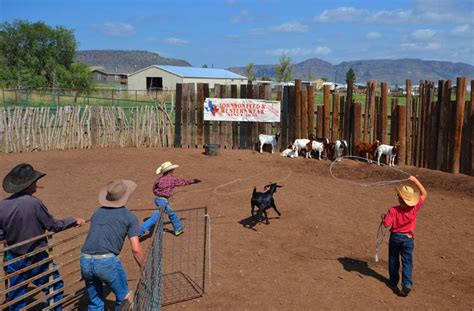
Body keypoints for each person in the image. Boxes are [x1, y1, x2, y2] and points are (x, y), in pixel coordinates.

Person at [0, 163, 85, 311]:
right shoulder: (34, 203)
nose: (36, 184)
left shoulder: (3, 205)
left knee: (16, 294)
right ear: (29, 185)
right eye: (35, 182)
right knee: (54, 285)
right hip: (35, 257)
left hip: (13, 257)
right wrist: (72, 220)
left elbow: (1, 233)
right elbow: (53, 225)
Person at [80, 179, 144, 310]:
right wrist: (144, 267)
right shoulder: (129, 216)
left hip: (85, 259)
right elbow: (136, 249)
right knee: (123, 297)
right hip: (106, 261)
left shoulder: (97, 212)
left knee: (95, 302)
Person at [382, 175, 428, 297]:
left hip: (396, 237)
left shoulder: (393, 210)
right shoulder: (414, 207)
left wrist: (383, 218)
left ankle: (393, 281)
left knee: (393, 258)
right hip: (408, 238)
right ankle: (406, 284)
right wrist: (415, 180)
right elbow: (424, 193)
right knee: (407, 261)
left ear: (399, 198)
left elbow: (386, 224)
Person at [140, 161, 201, 237]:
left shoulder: (159, 179)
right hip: (162, 201)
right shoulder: (172, 179)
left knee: (171, 214)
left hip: (159, 199)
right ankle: (140, 231)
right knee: (156, 217)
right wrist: (193, 181)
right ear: (170, 171)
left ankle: (178, 229)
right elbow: (182, 182)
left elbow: (154, 189)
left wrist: (159, 193)